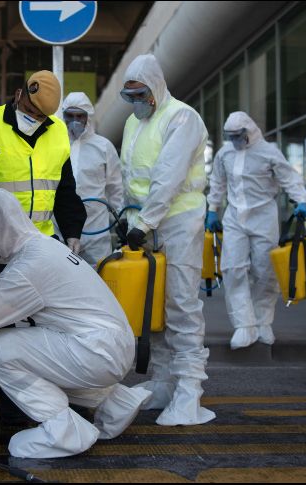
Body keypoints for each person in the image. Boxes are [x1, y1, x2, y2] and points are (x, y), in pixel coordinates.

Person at [0, 189, 151, 458]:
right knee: (36, 354)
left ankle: (63, 430)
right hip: (110, 347)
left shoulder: (31, 266)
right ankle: (116, 403)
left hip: (98, 351)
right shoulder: (45, 247)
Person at [0, 70, 87, 425]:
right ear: (19, 95)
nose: (34, 118)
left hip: (39, 248)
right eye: (30, 110)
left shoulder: (58, 132)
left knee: (46, 331)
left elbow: (65, 191)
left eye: (41, 116)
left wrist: (73, 232)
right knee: (1, 334)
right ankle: (12, 414)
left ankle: (47, 404)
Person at [119, 53, 216, 426]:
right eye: (129, 97)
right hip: (146, 224)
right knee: (153, 305)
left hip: (177, 222)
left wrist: (144, 221)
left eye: (140, 95)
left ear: (155, 88)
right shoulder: (133, 123)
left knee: (180, 304)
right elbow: (130, 176)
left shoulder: (182, 117)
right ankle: (162, 383)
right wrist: (126, 217)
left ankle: (189, 391)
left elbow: (168, 175)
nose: (135, 103)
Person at [206, 111, 306, 349]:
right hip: (234, 217)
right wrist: (212, 208)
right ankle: (244, 325)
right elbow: (218, 182)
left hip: (263, 216)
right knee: (232, 268)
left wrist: (301, 200)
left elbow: (289, 178)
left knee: (265, 271)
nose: (234, 140)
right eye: (230, 136)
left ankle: (263, 321)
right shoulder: (224, 154)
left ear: (249, 131)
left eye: (238, 135)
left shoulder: (269, 152)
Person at [61, 92, 123, 266]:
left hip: (96, 231)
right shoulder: (57, 145)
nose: (75, 121)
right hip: (62, 229)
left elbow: (116, 188)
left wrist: (120, 221)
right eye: (70, 115)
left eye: (80, 116)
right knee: (62, 276)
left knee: (100, 275)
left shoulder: (104, 147)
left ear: (88, 116)